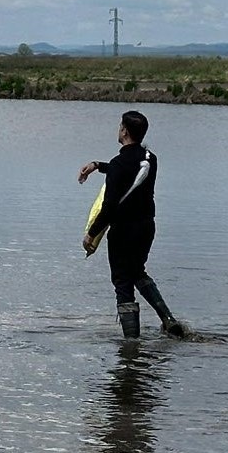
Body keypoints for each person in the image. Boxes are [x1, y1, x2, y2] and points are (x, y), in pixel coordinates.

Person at [78, 110, 184, 340]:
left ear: (124, 131)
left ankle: (131, 344)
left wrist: (91, 233)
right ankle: (168, 319)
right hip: (146, 228)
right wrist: (98, 165)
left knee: (122, 282)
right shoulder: (150, 159)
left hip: (123, 232)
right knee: (137, 271)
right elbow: (130, 168)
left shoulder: (119, 165)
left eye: (120, 126)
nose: (119, 129)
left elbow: (109, 208)